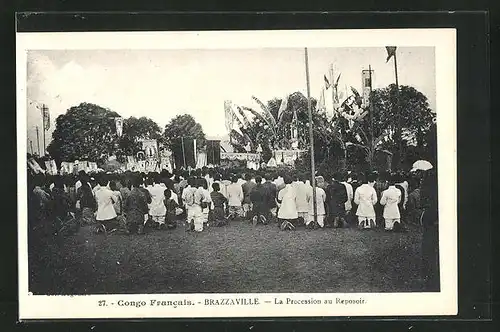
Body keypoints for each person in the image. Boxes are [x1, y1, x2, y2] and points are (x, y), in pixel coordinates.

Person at [420, 169, 439, 291]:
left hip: (431, 216)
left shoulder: (429, 177)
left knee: (429, 246)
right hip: (434, 215)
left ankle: (429, 273)